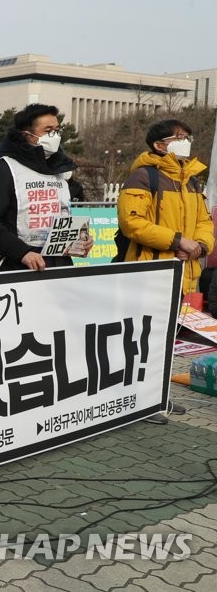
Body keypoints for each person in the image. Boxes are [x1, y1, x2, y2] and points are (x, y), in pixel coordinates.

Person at [117, 119, 211, 424]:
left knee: (165, 340)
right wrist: (176, 241)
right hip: (149, 271)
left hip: (183, 272)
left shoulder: (193, 180)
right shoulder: (144, 176)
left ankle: (156, 398)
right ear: (160, 145)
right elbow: (132, 223)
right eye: (179, 138)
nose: (186, 141)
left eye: (187, 136)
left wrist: (198, 245)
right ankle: (135, 402)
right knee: (141, 340)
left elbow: (205, 223)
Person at [0, 103, 90, 272]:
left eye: (57, 130)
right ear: (27, 135)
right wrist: (22, 253)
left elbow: (63, 213)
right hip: (16, 266)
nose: (55, 136)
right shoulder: (3, 169)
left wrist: (80, 241)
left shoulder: (60, 169)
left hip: (59, 266)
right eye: (48, 130)